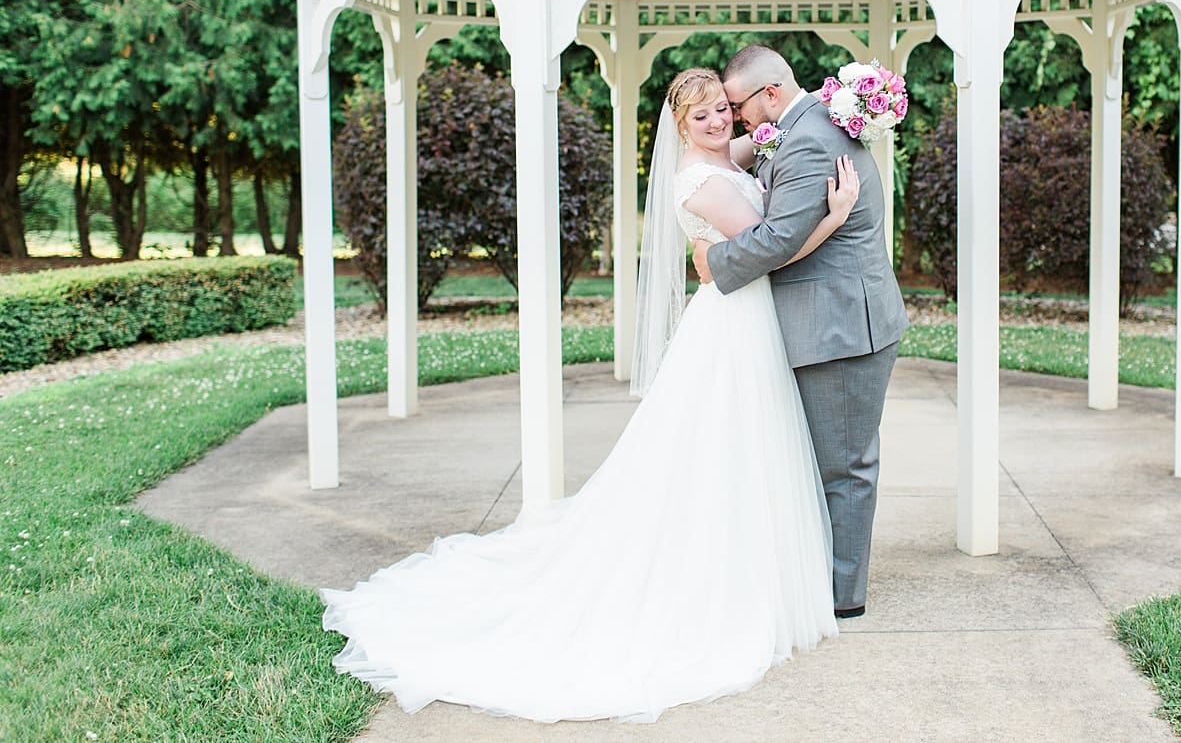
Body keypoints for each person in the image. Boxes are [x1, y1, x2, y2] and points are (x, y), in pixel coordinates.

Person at [319, 67, 859, 723]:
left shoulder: (723, 155)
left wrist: (837, 105)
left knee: (733, 452)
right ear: (679, 128)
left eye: (723, 108)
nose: (719, 121)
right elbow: (769, 247)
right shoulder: (706, 179)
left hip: (740, 320)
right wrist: (831, 217)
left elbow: (766, 139)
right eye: (702, 117)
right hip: (733, 324)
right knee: (721, 449)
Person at [696, 44, 908, 620]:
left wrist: (714, 264)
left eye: (737, 105)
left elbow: (780, 239)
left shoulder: (810, 138)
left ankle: (841, 597)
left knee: (844, 466)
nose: (734, 118)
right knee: (821, 462)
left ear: (770, 94)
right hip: (827, 319)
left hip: (842, 326)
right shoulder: (802, 120)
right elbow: (720, 159)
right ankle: (820, 579)